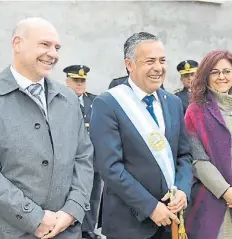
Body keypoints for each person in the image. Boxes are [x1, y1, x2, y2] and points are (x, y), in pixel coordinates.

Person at [0, 17, 94, 239]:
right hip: (11, 232)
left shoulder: (68, 98)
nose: (54, 54)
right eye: (45, 44)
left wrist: (72, 210)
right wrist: (35, 217)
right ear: (17, 44)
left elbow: (83, 157)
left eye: (57, 47)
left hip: (66, 230)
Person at [90, 32, 192, 239]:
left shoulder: (173, 102)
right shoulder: (108, 103)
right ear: (129, 64)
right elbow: (110, 167)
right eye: (150, 61)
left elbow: (184, 156)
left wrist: (182, 190)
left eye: (162, 61)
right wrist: (151, 207)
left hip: (171, 219)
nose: (158, 68)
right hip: (129, 224)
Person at [184, 50, 232, 239]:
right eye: (215, 72)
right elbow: (197, 159)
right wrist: (225, 191)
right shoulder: (195, 111)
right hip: (209, 200)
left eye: (227, 71)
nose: (222, 77)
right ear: (205, 76)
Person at [63, 65, 102, 239]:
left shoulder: (94, 101)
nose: (80, 84)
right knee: (70, 195)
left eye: (82, 81)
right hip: (69, 159)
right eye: (76, 80)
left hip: (92, 160)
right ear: (67, 81)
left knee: (92, 196)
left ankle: (88, 230)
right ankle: (72, 229)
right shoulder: (60, 100)